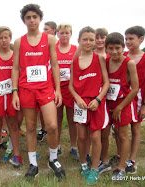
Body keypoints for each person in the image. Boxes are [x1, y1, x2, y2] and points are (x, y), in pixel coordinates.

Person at [12, 4, 66, 179]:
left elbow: (55, 65)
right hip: (26, 89)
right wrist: (14, 92)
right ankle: (33, 163)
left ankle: (53, 159)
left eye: (35, 17)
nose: (32, 20)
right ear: (24, 21)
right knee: (30, 127)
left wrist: (58, 89)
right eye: (28, 17)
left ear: (40, 18)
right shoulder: (19, 41)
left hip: (45, 89)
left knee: (51, 125)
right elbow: (15, 68)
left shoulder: (50, 39)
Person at [68, 26, 109, 184]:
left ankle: (94, 167)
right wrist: (77, 98)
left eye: (91, 39)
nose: (88, 42)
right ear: (78, 41)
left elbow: (106, 82)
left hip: (95, 103)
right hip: (80, 104)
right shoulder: (75, 61)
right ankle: (83, 163)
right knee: (82, 136)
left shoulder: (100, 59)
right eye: (85, 39)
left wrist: (98, 99)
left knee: (95, 136)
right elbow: (71, 85)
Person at [98, 32, 138, 178]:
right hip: (107, 102)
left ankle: (121, 166)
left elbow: (135, 88)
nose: (114, 52)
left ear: (122, 47)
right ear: (106, 48)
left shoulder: (129, 63)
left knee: (122, 135)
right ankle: (105, 161)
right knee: (104, 133)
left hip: (122, 103)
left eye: (117, 48)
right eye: (111, 48)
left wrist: (120, 107)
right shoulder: (105, 61)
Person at [0, 26, 21, 170]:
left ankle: (16, 154)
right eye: (0, 38)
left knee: (13, 125)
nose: (3, 40)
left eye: (6, 37)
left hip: (12, 95)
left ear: (10, 38)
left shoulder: (16, 55)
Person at [124, 26, 145, 174]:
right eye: (126, 38)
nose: (127, 41)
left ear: (141, 39)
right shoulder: (122, 55)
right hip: (123, 99)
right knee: (119, 129)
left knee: (135, 128)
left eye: (131, 38)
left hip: (138, 99)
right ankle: (121, 154)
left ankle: (132, 159)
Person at [55, 23, 78, 158]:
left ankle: (74, 146)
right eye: (61, 32)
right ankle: (57, 145)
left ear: (71, 34)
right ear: (57, 34)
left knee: (72, 119)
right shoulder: (53, 49)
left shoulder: (75, 49)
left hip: (71, 89)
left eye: (67, 33)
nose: (64, 35)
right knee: (57, 118)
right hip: (57, 88)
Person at [36, 21, 58, 142]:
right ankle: (43, 129)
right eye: (43, 29)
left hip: (56, 83)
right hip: (42, 82)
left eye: (46, 29)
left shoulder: (56, 43)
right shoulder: (41, 43)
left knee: (54, 118)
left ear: (53, 30)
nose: (43, 31)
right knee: (40, 109)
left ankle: (56, 141)